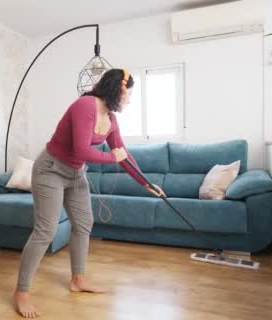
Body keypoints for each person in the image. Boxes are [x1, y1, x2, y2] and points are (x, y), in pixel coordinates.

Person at [13, 69, 165, 318]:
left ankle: (78, 280)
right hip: (50, 170)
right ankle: (21, 292)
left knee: (84, 223)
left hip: (75, 174)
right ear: (118, 89)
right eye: (129, 94)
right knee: (45, 231)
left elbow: (123, 155)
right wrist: (110, 157)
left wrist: (146, 183)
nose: (129, 100)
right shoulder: (85, 106)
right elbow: (82, 150)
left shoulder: (111, 120)